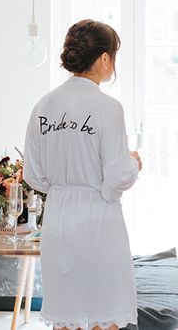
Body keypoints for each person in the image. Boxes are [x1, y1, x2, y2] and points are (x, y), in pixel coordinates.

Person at [23, 19, 143, 330]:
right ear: (104, 58)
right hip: (98, 217)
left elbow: (33, 175)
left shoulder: (44, 105)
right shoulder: (108, 107)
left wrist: (64, 186)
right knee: (105, 314)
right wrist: (135, 162)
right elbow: (117, 175)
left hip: (59, 218)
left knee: (66, 312)